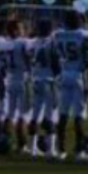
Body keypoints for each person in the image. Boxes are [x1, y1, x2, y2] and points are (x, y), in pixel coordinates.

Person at [52, 10, 88, 161]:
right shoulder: (85, 36)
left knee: (63, 114)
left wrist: (58, 74)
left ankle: (61, 150)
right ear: (78, 21)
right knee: (79, 115)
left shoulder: (58, 35)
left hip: (64, 74)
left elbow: (53, 57)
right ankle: (79, 151)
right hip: (78, 76)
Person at [0, 18, 32, 153]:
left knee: (10, 114)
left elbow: (0, 67)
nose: (23, 31)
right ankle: (22, 145)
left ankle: (4, 141)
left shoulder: (3, 45)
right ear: (15, 30)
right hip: (22, 79)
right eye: (21, 28)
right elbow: (29, 58)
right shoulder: (23, 43)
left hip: (9, 80)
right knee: (23, 115)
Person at [27, 18, 60, 158]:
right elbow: (55, 62)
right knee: (50, 116)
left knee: (34, 116)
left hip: (35, 80)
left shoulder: (31, 43)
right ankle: (50, 150)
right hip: (48, 80)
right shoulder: (51, 43)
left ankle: (33, 148)